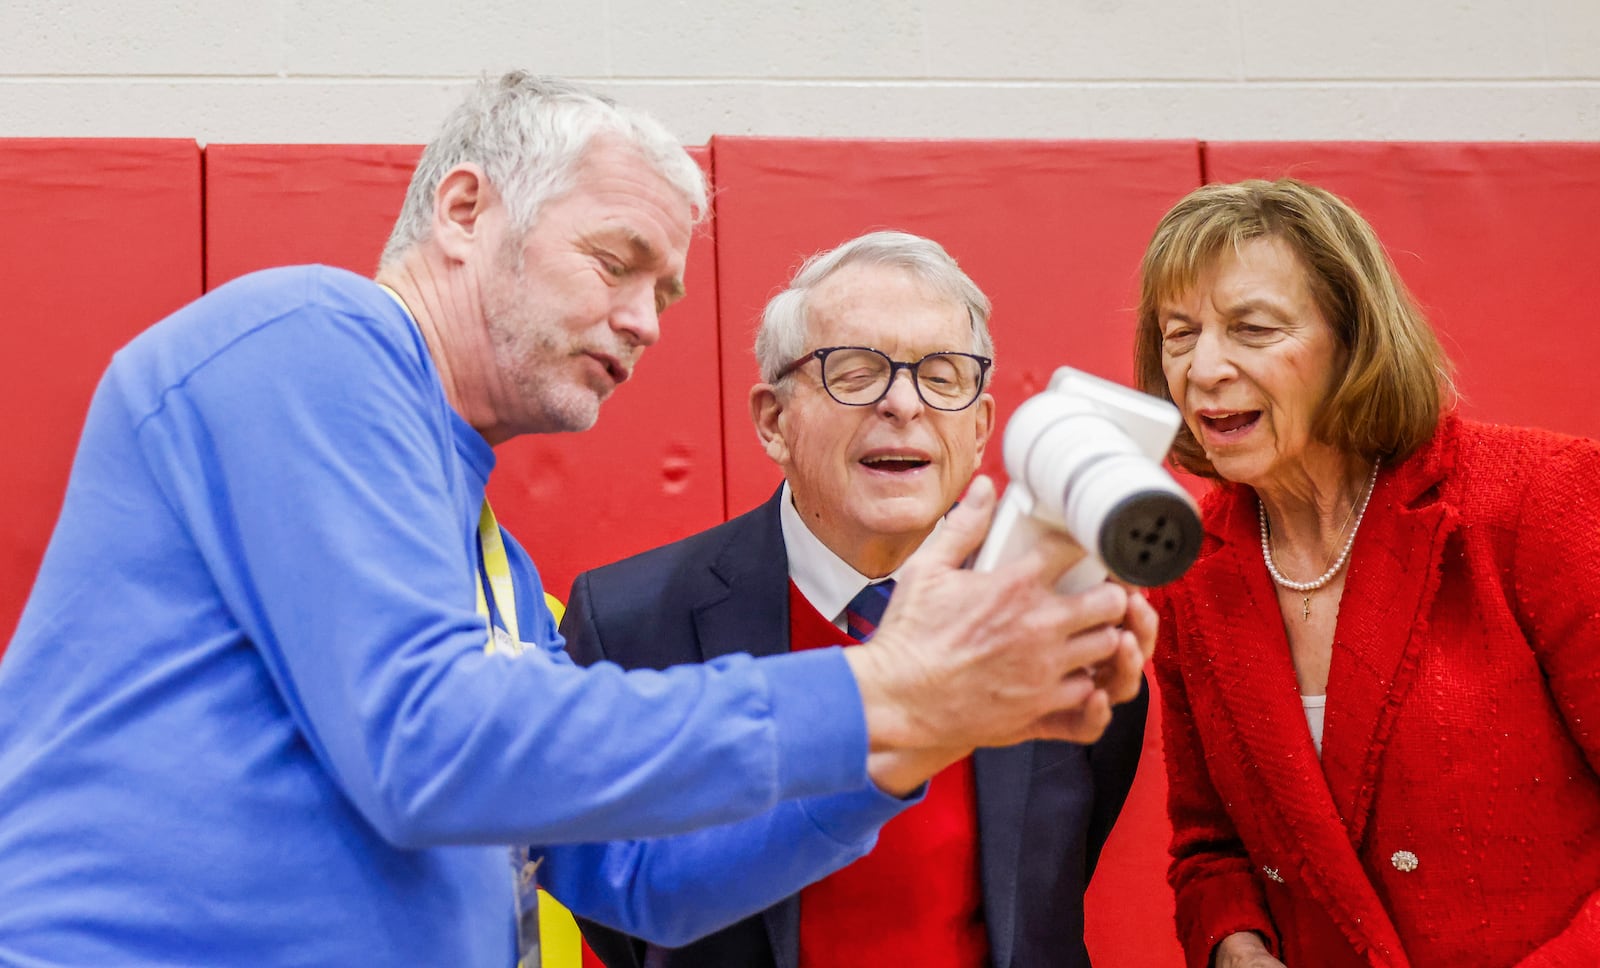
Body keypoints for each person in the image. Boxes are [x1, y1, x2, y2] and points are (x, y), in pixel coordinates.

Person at [0, 73, 1155, 967]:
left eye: (663, 290)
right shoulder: (312, 336)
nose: (647, 319)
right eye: (616, 261)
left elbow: (642, 874)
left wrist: (916, 735)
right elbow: (427, 743)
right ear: (464, 208)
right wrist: (882, 687)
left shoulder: (495, 566)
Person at [561, 230, 1149, 968]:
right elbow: (619, 919)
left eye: (942, 375)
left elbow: (1055, 883)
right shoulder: (630, 625)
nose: (903, 403)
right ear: (774, 421)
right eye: (856, 370)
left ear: (979, 429)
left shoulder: (1053, 623)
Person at [1133, 177, 1600, 968]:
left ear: (1353, 340)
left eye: (1251, 328)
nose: (1204, 366)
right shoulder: (1191, 567)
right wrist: (1235, 949)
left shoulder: (1538, 497)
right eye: (1179, 334)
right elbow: (1210, 851)